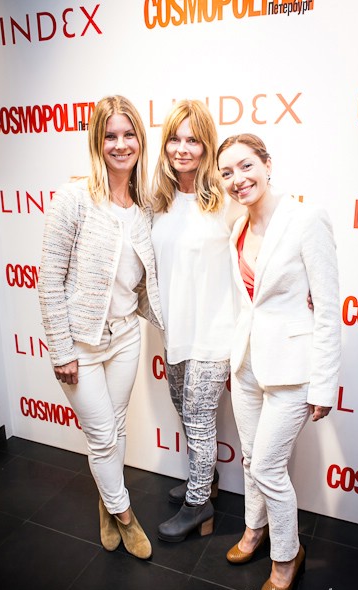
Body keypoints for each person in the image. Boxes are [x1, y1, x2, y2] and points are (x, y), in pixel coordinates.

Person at [38, 95, 163, 559]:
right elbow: (49, 279)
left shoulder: (145, 206)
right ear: (97, 141)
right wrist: (61, 350)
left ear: (140, 140)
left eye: (129, 134)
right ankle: (125, 515)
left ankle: (107, 500)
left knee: (115, 427)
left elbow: (149, 275)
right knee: (103, 435)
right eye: (110, 135)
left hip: (126, 335)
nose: (120, 144)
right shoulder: (73, 199)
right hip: (80, 343)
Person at [217, 133, 341, 590]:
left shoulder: (306, 219)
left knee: (268, 467)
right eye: (227, 172)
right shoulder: (237, 227)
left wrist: (324, 385)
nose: (237, 179)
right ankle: (254, 529)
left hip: (292, 368)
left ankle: (287, 555)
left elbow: (327, 308)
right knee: (252, 459)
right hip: (248, 363)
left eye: (246, 165)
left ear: (267, 164)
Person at [151, 100, 240, 542]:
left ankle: (198, 504)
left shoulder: (227, 200)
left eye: (193, 140)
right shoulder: (159, 201)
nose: (182, 149)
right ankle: (206, 481)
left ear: (207, 146)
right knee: (185, 411)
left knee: (201, 419)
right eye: (174, 139)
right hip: (176, 332)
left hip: (213, 332)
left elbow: (264, 240)